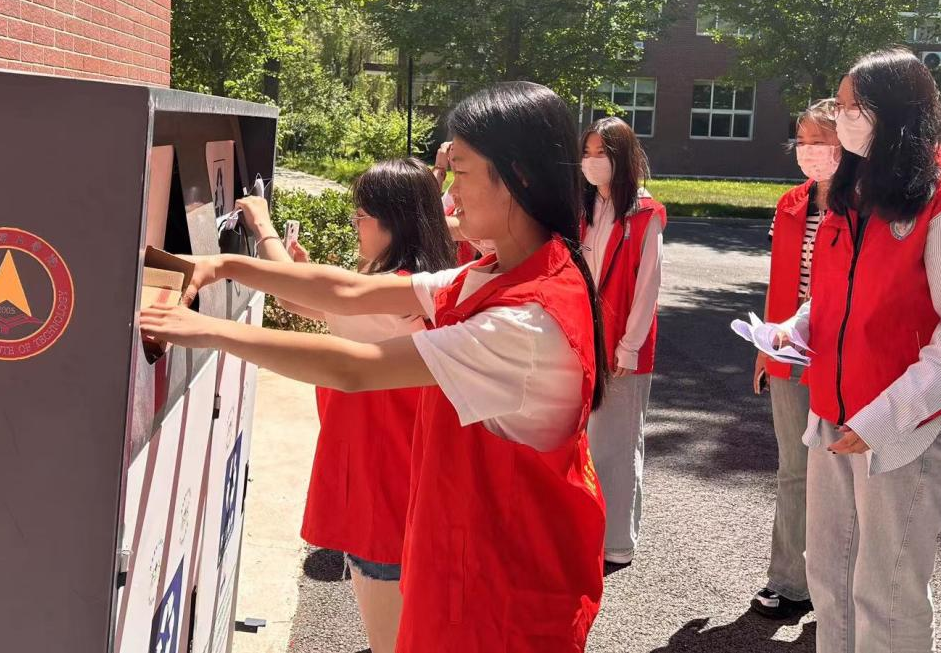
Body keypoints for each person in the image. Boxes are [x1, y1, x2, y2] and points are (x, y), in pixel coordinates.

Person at [140, 81, 610, 652]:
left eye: (461, 172)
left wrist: (207, 329)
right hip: (472, 567)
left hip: (502, 600)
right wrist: (224, 266)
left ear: (519, 176)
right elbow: (350, 291)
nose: (450, 195)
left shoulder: (525, 323)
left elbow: (357, 367)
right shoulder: (499, 272)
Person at [776, 48, 941, 653]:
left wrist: (879, 421)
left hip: (905, 432)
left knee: (888, 596)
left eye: (853, 107)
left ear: (896, 111)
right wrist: (796, 328)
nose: (841, 119)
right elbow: (834, 298)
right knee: (831, 583)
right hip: (832, 416)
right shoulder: (855, 195)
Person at [234, 159, 455, 653]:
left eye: (360, 216)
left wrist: (263, 224)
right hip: (398, 483)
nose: (355, 225)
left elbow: (292, 291)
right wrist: (306, 273)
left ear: (392, 221)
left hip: (386, 493)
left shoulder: (397, 300)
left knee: (392, 638)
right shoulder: (415, 286)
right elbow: (302, 299)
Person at [748, 98, 840, 620]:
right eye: (801, 141)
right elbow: (781, 281)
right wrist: (764, 349)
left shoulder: (866, 204)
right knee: (794, 469)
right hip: (788, 352)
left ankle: (838, 586)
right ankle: (788, 581)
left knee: (843, 474)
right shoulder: (790, 204)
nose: (808, 151)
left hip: (842, 357)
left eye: (819, 141)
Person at [579, 116, 665, 570]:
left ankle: (616, 542)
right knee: (587, 442)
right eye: (587, 153)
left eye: (602, 153)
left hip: (622, 347)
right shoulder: (584, 207)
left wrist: (629, 347)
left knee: (618, 443)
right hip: (583, 340)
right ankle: (588, 532)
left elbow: (648, 286)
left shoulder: (644, 214)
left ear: (623, 158)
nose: (592, 161)